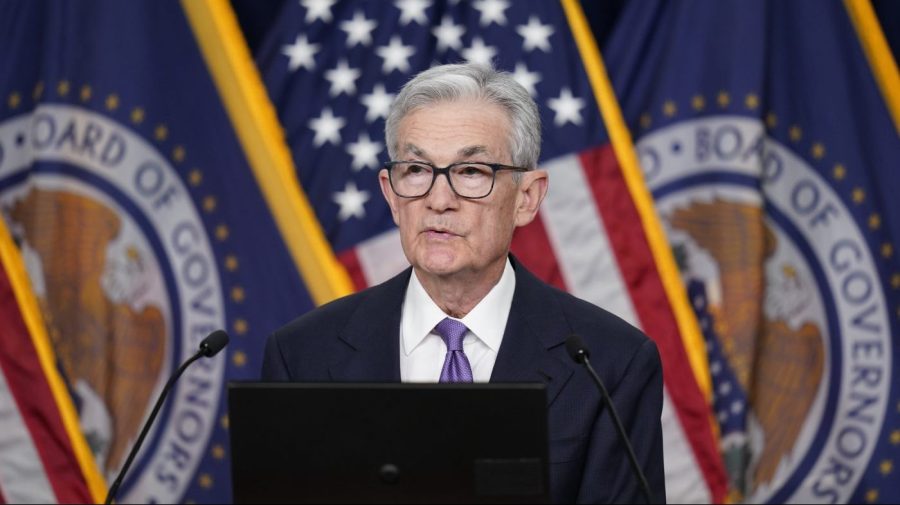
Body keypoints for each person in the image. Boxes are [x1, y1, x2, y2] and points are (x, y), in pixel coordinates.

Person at [262, 63, 665, 504]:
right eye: (416, 170)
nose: (438, 200)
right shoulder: (302, 356)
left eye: (471, 172)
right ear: (391, 194)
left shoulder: (611, 364)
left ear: (527, 198)